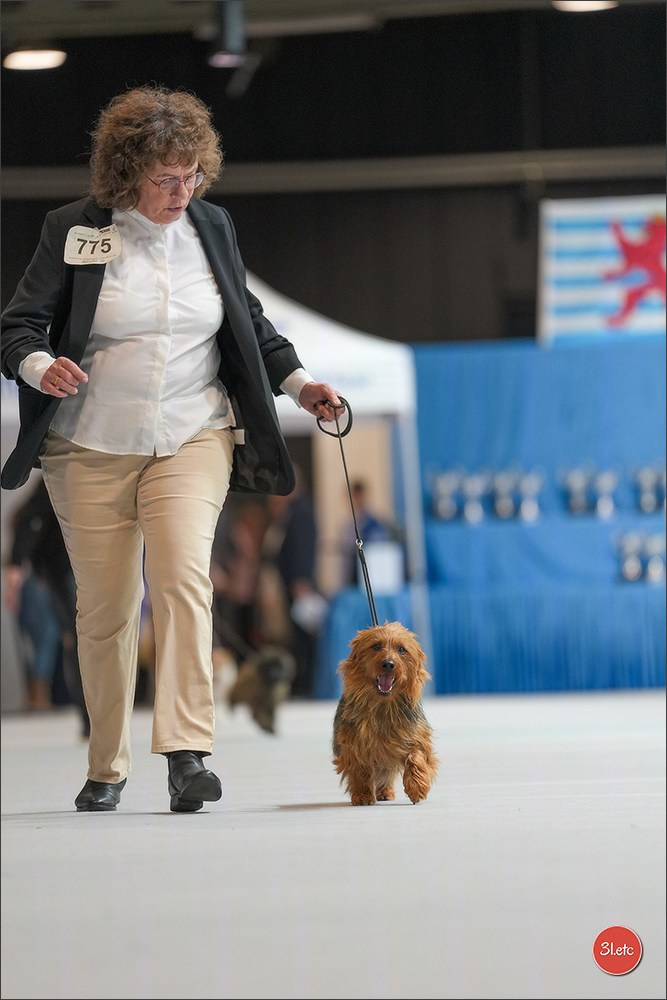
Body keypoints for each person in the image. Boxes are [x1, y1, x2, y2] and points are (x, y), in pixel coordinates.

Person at [0, 84, 341, 813]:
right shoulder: (76, 229)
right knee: (106, 610)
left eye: (192, 174)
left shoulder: (211, 227)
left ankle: (188, 753)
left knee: (185, 578)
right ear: (127, 173)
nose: (181, 190)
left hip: (192, 431)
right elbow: (18, 326)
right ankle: (106, 764)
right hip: (88, 443)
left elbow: (249, 322)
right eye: (165, 178)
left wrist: (302, 384)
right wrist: (40, 365)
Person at [262, 468, 328, 698]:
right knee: (298, 636)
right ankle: (306, 681)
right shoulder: (290, 513)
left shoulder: (300, 512)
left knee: (305, 637)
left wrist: (301, 580)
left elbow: (302, 550)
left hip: (300, 585)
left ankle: (309, 683)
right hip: (293, 584)